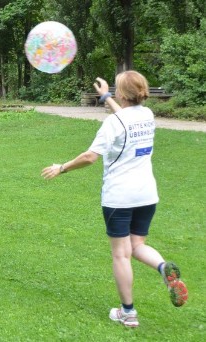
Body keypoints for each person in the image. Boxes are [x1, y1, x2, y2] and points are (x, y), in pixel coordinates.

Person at [41, 70, 188, 327]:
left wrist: (61, 167)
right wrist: (106, 96)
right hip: (147, 194)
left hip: (119, 196)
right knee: (137, 245)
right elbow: (124, 116)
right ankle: (163, 267)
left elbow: (90, 157)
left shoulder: (113, 123)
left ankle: (128, 312)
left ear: (123, 93)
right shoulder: (148, 115)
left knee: (121, 255)